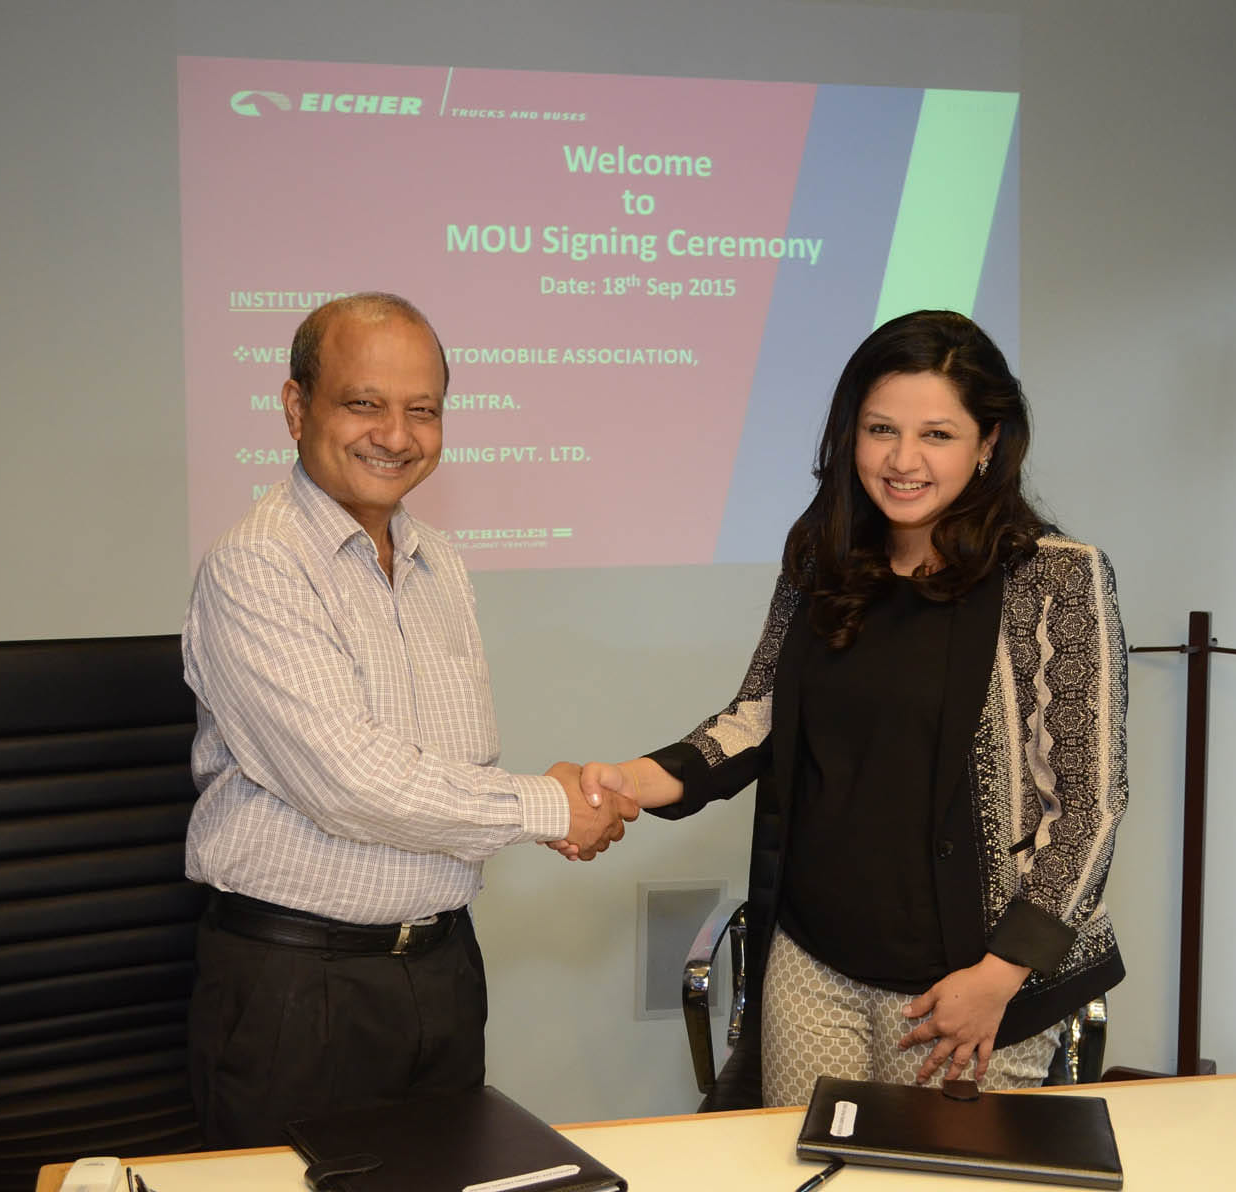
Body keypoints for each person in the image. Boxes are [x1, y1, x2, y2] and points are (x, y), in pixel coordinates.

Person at [573, 310, 1127, 1106]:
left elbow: (1090, 807)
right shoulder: (822, 559)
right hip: (815, 962)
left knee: (926, 1169)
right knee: (803, 1162)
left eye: (937, 435)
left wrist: (1000, 975)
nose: (903, 461)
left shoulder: (1055, 577)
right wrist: (631, 779)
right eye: (880, 430)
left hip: (967, 980)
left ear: (989, 442)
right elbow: (758, 715)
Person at [181, 292, 633, 1147]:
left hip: (441, 970)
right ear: (295, 408)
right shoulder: (256, 565)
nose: (395, 435)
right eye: (364, 403)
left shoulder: (439, 561)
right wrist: (552, 806)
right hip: (298, 989)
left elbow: (453, 764)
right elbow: (354, 784)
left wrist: (553, 800)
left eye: (422, 410)